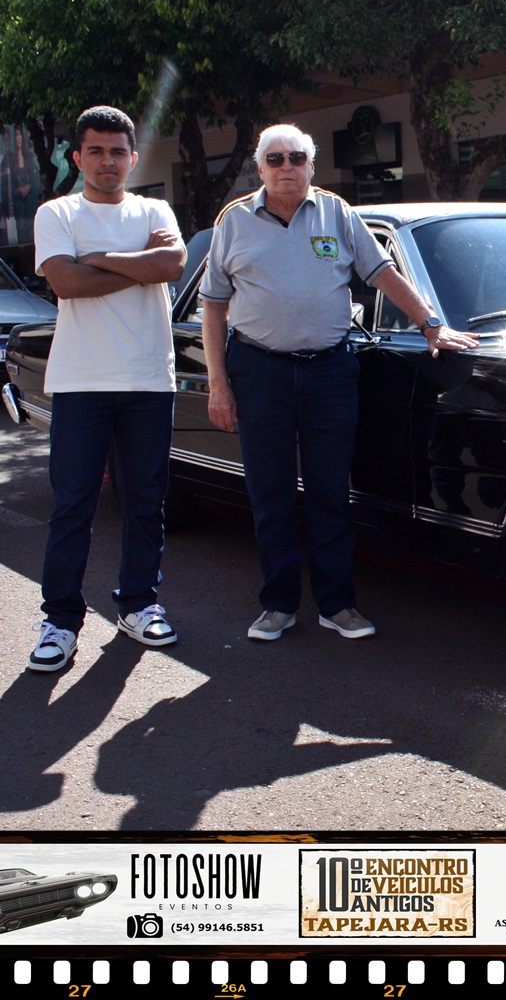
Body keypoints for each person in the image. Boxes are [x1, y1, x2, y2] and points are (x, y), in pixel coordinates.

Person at [201, 123, 477, 642]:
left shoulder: (337, 213)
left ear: (312, 165)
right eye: (275, 159)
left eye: (296, 158)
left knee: (331, 492)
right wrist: (219, 384)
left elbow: (384, 273)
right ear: (259, 169)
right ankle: (278, 605)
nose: (287, 167)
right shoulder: (233, 222)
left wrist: (430, 325)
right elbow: (214, 307)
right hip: (259, 371)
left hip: (328, 371)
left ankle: (337, 604)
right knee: (271, 494)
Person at [27, 105, 186, 672]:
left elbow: (173, 263)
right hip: (82, 381)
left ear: (133, 157)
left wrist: (99, 259)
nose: (107, 161)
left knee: (146, 501)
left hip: (148, 378)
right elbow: (66, 282)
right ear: (77, 157)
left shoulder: (154, 209)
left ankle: (139, 605)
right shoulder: (57, 212)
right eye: (95, 151)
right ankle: (60, 621)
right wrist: (137, 265)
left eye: (118, 151)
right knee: (73, 505)